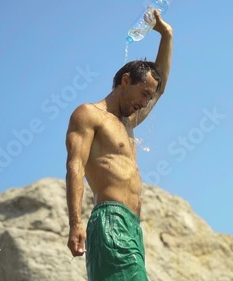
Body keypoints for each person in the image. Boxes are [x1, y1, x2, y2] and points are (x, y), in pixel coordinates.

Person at [65, 9, 172, 281]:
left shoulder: (126, 122)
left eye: (149, 97)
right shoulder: (89, 114)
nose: (146, 102)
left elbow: (160, 91)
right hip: (110, 221)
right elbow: (75, 165)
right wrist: (75, 223)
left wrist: (166, 36)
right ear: (126, 81)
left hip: (132, 226)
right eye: (143, 93)